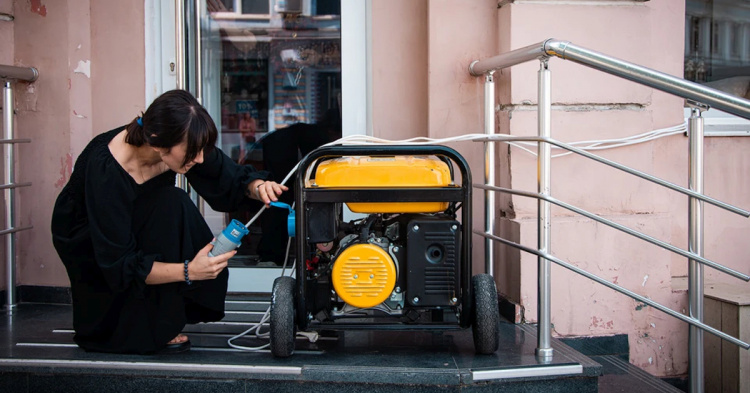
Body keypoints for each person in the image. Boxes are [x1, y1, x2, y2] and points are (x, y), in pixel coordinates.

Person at [50, 89, 287, 354]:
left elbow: (225, 175)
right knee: (167, 208)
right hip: (88, 233)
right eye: (192, 152)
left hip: (136, 215)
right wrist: (190, 271)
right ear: (156, 143)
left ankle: (164, 317)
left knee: (172, 203)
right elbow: (119, 263)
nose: (199, 159)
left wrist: (257, 186)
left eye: (201, 150)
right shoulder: (108, 169)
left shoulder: (178, 142)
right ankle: (127, 328)